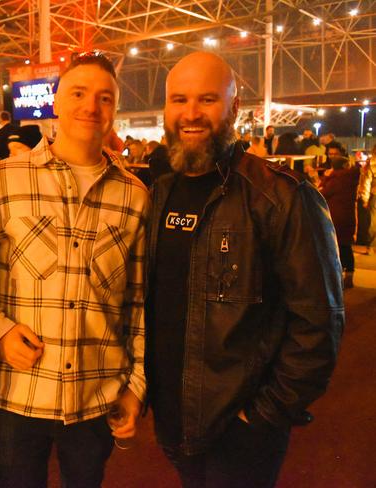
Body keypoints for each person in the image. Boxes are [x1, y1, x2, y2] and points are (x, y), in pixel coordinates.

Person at [144, 51, 344, 488]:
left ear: (234, 107)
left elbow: (319, 322)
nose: (191, 114)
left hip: (241, 433)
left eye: (207, 99)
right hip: (174, 419)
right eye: (179, 99)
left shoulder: (281, 196)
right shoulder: (159, 193)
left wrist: (262, 416)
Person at [0, 51, 148, 488]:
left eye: (104, 98)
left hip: (95, 395)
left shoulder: (135, 197)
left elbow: (138, 300)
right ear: (56, 102)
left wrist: (136, 384)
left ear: (114, 111)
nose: (91, 106)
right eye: (79, 93)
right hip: (16, 393)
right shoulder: (2, 181)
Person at [320, 157, 361, 289]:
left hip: (336, 217)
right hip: (348, 216)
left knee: (336, 247)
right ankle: (349, 276)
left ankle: (339, 277)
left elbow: (323, 192)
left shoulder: (336, 179)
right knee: (346, 246)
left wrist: (326, 177)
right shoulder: (351, 177)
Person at [357, 144, 376, 255]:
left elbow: (366, 182)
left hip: (374, 195)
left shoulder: (371, 163)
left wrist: (364, 199)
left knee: (373, 223)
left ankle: (372, 247)